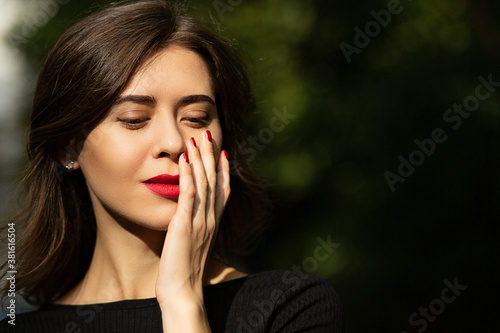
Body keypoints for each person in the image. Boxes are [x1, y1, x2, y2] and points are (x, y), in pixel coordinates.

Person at [0, 1, 344, 332]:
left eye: (195, 118)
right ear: (67, 147)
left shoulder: (289, 308)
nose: (173, 143)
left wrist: (182, 299)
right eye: (135, 119)